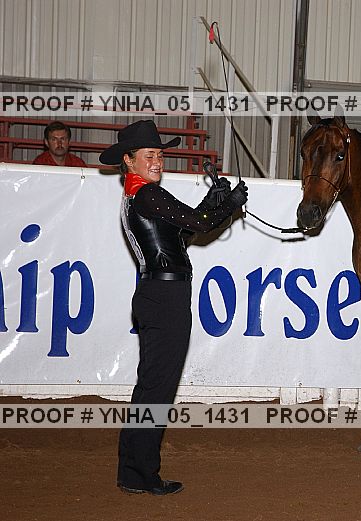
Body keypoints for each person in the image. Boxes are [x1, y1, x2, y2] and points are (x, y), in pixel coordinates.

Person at [100, 120, 247, 496]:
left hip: (156, 295)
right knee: (158, 389)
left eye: (159, 155)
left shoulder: (138, 195)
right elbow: (198, 224)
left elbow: (183, 232)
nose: (157, 161)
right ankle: (143, 474)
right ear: (129, 160)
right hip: (166, 298)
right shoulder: (148, 195)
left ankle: (132, 470)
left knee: (150, 386)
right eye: (149, 155)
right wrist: (229, 205)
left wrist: (214, 202)